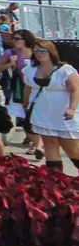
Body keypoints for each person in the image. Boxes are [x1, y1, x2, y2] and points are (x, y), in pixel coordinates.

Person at [27, 39, 79, 173]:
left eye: (43, 50)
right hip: (43, 113)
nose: (39, 53)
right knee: (50, 146)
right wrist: (26, 105)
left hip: (63, 113)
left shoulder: (64, 69)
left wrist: (72, 108)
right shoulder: (30, 68)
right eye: (36, 50)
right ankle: (56, 182)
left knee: (71, 148)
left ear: (51, 52)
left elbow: (75, 89)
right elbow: (28, 87)